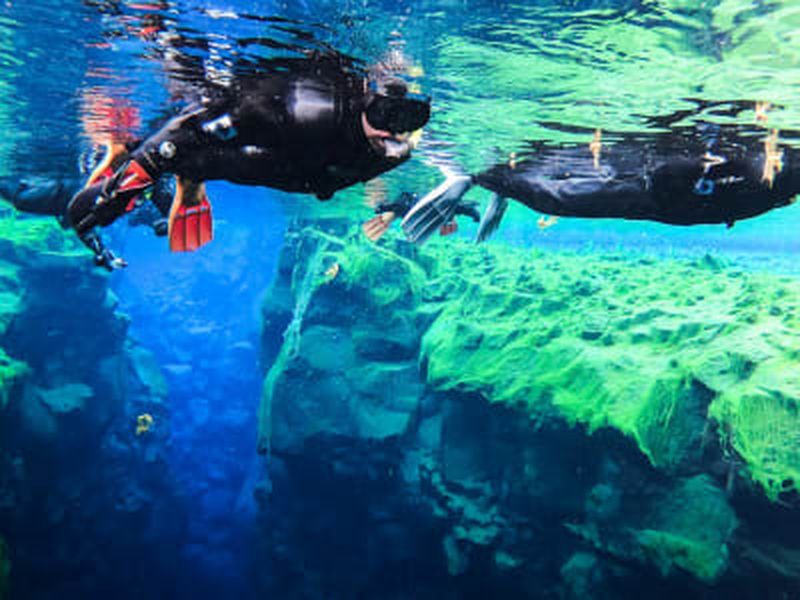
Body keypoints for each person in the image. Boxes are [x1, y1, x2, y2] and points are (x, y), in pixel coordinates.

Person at [68, 51, 431, 269]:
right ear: (367, 99)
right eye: (386, 115)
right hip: (270, 141)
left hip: (304, 172)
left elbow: (393, 176)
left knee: (215, 159)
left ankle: (185, 170)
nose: (393, 132)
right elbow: (188, 131)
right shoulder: (303, 109)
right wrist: (121, 190)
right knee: (196, 147)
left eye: (410, 119)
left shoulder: (396, 148)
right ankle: (154, 158)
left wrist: (396, 208)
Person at [399, 123, 800, 244]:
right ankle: (480, 177)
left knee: (557, 199)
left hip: (669, 201)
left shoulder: (778, 183)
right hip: (663, 190)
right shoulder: (776, 172)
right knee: (557, 196)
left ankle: (492, 181)